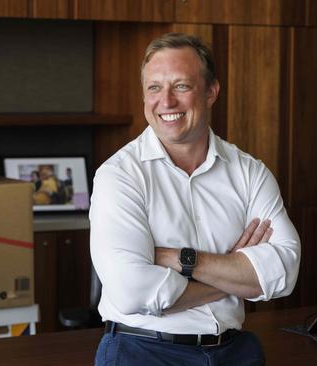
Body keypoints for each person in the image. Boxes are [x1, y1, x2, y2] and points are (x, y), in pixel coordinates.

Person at [90, 33, 300, 366]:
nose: (166, 102)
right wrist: (232, 272)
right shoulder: (118, 176)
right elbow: (131, 291)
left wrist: (180, 259)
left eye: (182, 86)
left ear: (211, 91)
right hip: (142, 352)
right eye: (154, 88)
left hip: (235, 352)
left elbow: (284, 272)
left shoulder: (249, 173)